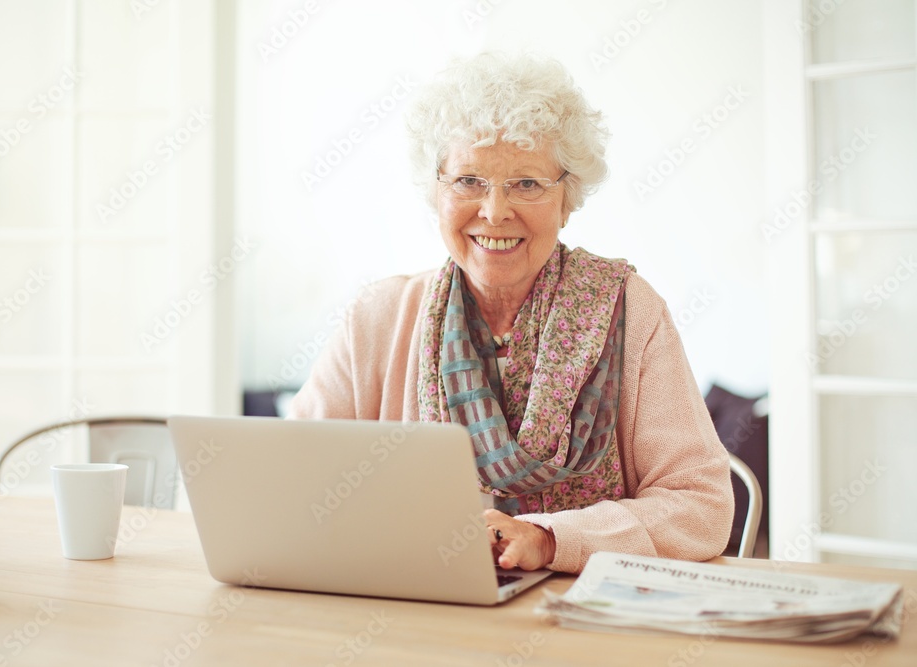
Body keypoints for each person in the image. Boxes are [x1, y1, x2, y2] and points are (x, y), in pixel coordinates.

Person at [288, 52, 734, 574]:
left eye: (526, 183)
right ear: (436, 191)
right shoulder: (378, 316)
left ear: (568, 198)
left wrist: (551, 539)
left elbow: (701, 508)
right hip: (418, 603)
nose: (495, 211)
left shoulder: (632, 311)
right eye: (469, 180)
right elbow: (298, 477)